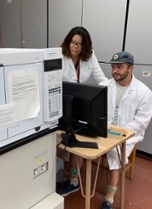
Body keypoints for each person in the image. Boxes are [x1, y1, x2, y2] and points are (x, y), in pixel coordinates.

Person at [97, 51, 152, 209]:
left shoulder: (144, 92)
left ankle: (109, 199)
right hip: (103, 129)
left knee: (115, 156)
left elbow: (142, 121)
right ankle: (73, 180)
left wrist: (119, 132)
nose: (115, 71)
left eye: (120, 67)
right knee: (80, 143)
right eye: (113, 67)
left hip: (127, 135)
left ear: (131, 68)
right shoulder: (105, 85)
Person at [58, 26, 108, 196]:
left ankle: (73, 181)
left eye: (80, 44)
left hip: (81, 105)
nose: (76, 46)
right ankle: (58, 170)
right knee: (57, 137)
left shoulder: (90, 56)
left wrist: (112, 93)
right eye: (73, 42)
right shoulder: (59, 55)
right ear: (68, 41)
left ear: (85, 46)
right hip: (61, 102)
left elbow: (101, 79)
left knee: (78, 138)